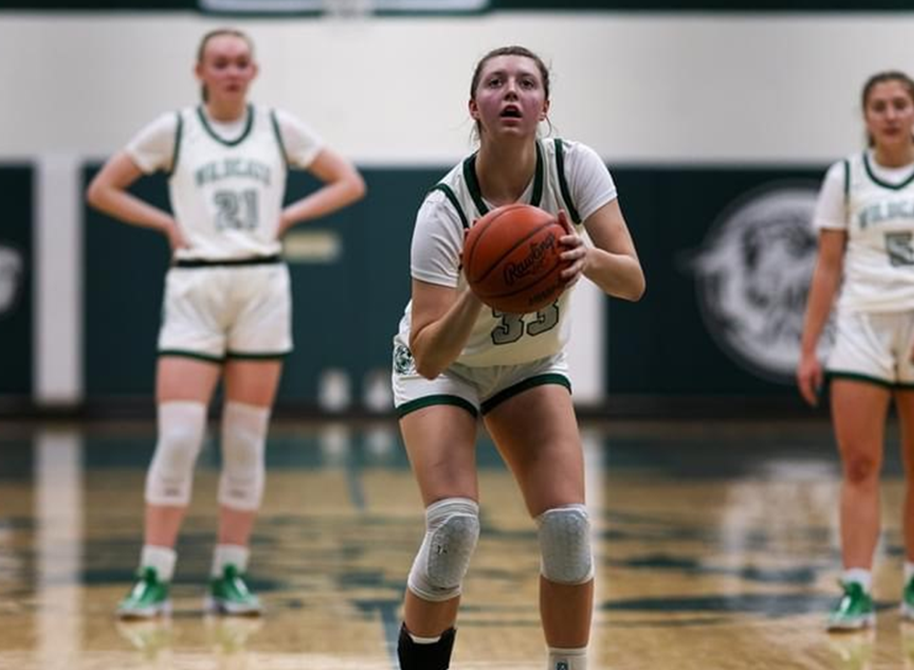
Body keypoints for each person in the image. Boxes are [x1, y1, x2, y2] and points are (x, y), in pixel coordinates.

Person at [87, 28, 366, 618]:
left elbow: (349, 181)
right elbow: (103, 188)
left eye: (241, 62)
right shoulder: (176, 130)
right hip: (195, 285)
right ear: (200, 71)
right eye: (221, 63)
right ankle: (153, 572)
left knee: (244, 441)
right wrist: (165, 224)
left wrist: (288, 214)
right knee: (181, 437)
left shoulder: (277, 128)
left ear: (254, 71)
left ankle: (229, 572)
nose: (232, 71)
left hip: (262, 285)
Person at [390, 45, 645, 670]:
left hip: (530, 363)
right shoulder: (443, 209)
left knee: (567, 527)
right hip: (446, 364)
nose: (512, 91)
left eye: (526, 82)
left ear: (544, 106)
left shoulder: (575, 166)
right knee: (453, 526)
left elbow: (634, 281)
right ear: (473, 106)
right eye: (496, 82)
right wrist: (477, 290)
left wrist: (588, 258)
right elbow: (427, 354)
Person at [798, 70, 914, 631]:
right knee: (860, 465)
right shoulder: (847, 176)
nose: (891, 114)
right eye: (880, 106)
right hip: (862, 327)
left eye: (900, 104)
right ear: (867, 116)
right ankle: (856, 587)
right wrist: (809, 348)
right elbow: (827, 267)